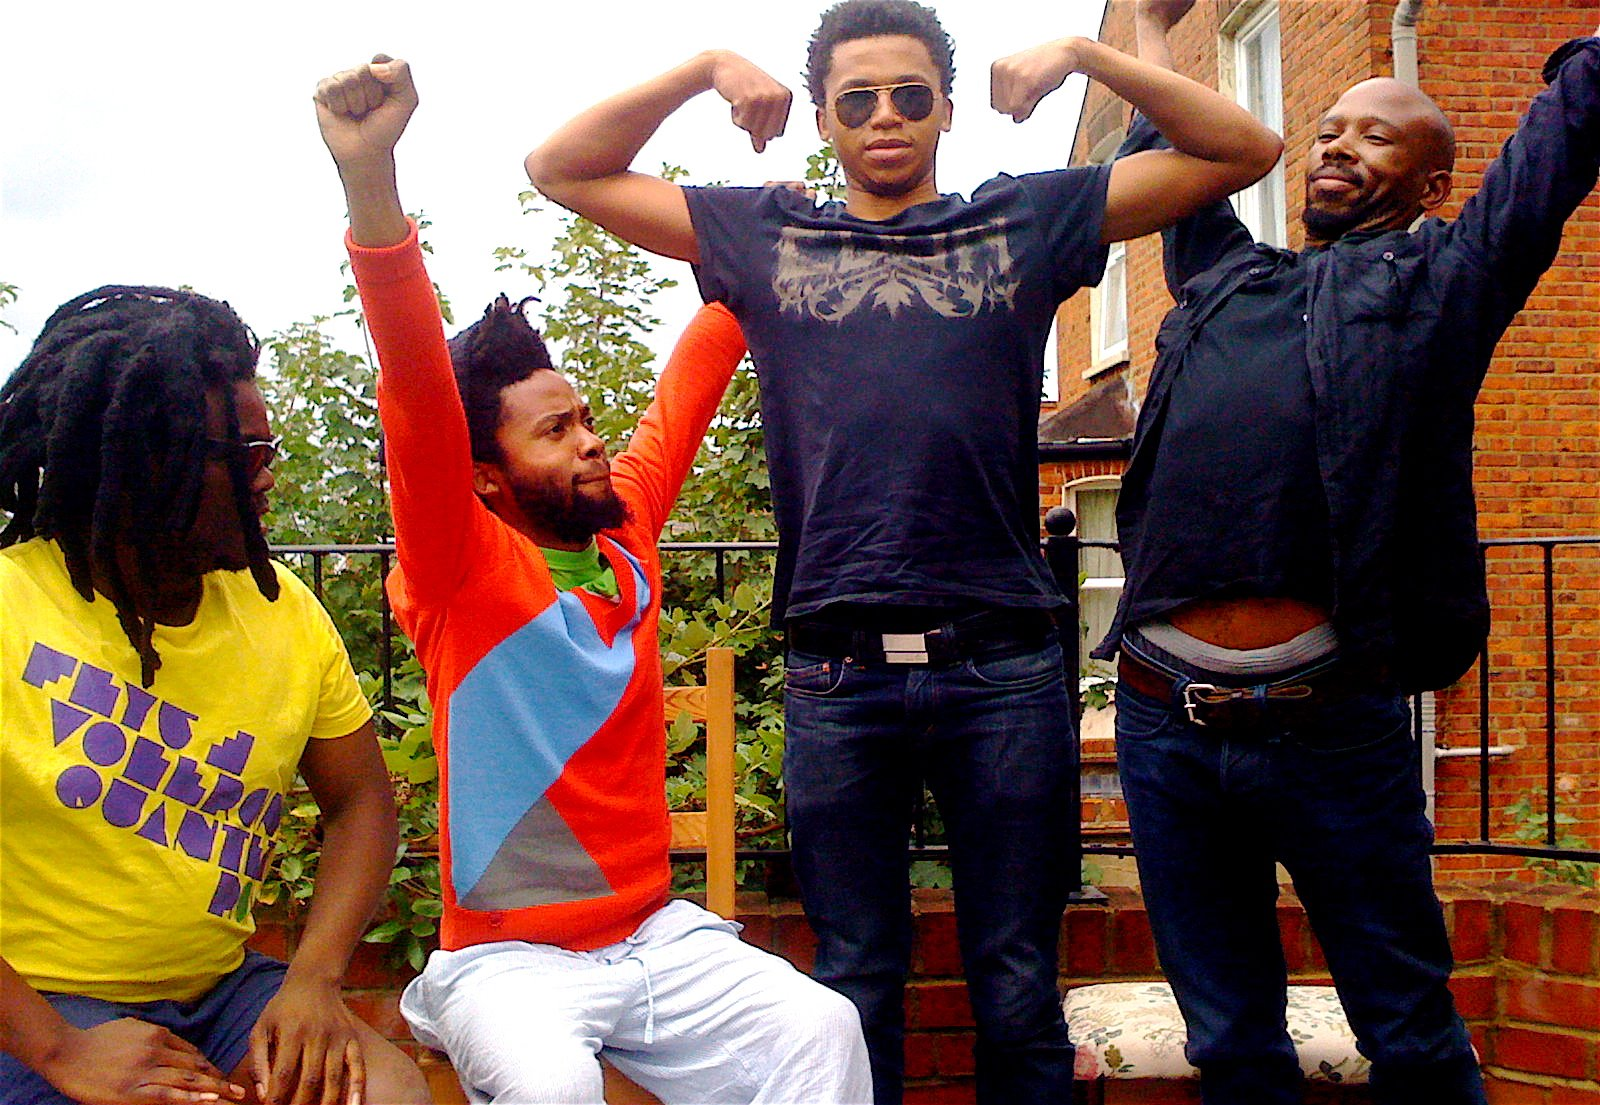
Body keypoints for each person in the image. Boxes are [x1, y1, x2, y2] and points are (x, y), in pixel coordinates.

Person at [523, 2, 1282, 1101]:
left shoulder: (1022, 220)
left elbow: (1244, 149)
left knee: (1017, 987)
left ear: (945, 111)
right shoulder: (766, 233)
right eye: (859, 99)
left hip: (1003, 667)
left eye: (911, 96)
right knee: (853, 986)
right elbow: (560, 168)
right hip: (839, 674)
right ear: (824, 119)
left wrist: (1086, 53)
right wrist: (703, 67)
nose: (886, 117)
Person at [314, 55, 873, 1105]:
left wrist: (776, 237)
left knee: (822, 1027)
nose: (589, 441)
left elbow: (704, 356)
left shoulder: (626, 528)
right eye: (555, 431)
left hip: (654, 937)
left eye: (584, 419)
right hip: (506, 961)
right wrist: (371, 181)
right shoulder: (460, 569)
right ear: (485, 476)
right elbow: (415, 387)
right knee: (555, 1088)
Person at [1090, 3, 1600, 1103]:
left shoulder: (1443, 283)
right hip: (1164, 721)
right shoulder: (1226, 278)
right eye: (1327, 130)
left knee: (1408, 1027)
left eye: (1375, 135)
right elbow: (1168, 150)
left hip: (1328, 726)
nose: (1336, 144)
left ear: (1430, 186)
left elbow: (1558, 147)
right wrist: (1147, 27)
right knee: (1229, 1039)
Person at [0, 288, 427, 1105]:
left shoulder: (284, 611)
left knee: (388, 1091)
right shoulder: (10, 607)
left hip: (220, 995)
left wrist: (313, 978)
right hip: (35, 1008)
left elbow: (361, 801)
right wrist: (58, 1049)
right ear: (148, 462)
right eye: (247, 451)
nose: (269, 474)